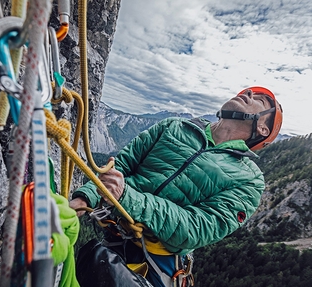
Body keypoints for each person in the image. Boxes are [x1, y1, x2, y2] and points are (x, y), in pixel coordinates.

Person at [70, 86, 283, 286]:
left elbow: (196, 228)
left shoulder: (249, 180)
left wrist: (127, 196)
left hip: (157, 263)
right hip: (113, 237)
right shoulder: (173, 127)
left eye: (260, 100)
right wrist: (84, 199)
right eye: (248, 91)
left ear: (263, 128)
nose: (248, 93)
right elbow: (121, 167)